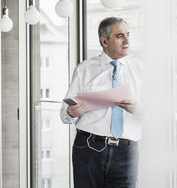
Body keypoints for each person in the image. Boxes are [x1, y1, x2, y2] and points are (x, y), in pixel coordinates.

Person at [60, 17, 144, 188]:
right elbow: (65, 113)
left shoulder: (141, 70)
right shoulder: (85, 69)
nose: (127, 40)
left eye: (128, 34)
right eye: (120, 36)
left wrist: (140, 109)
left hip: (126, 153)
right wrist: (72, 112)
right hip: (88, 148)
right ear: (104, 41)